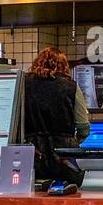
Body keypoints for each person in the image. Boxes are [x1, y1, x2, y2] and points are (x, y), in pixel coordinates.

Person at [23, 47, 90, 183]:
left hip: (33, 156)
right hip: (64, 157)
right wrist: (75, 141)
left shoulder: (24, 84)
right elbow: (83, 127)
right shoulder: (71, 87)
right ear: (64, 66)